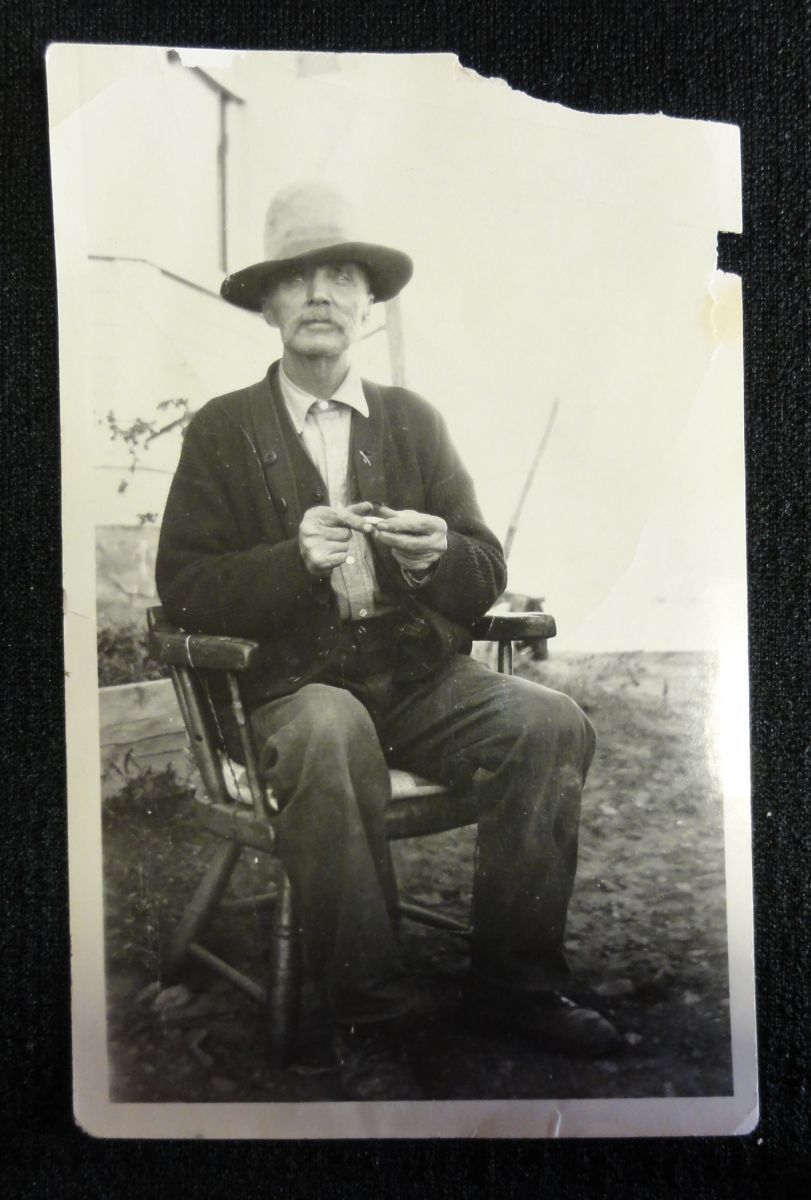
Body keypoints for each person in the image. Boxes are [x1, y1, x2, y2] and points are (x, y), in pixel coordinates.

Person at [156, 182, 619, 1098]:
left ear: (368, 303)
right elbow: (185, 587)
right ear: (267, 304)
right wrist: (292, 562)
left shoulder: (413, 421)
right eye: (297, 278)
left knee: (549, 723)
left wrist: (443, 551)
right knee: (333, 732)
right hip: (294, 694)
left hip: (415, 683)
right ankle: (369, 1007)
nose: (321, 293)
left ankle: (514, 985)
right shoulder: (221, 431)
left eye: (341, 276)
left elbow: (484, 566)